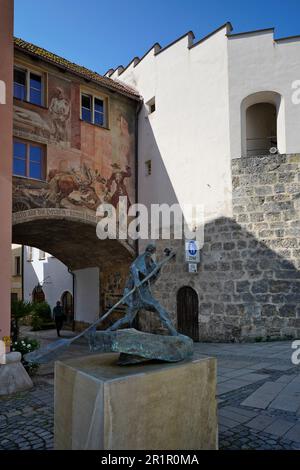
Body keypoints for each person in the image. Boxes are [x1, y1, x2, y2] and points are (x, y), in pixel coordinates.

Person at [107, 244, 178, 336]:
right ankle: (174, 333)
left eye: (152, 251)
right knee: (157, 309)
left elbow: (153, 270)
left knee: (129, 318)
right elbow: (133, 268)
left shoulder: (149, 260)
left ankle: (109, 330)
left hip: (141, 293)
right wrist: (136, 281)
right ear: (149, 250)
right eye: (152, 250)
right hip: (137, 294)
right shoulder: (143, 257)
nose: (151, 252)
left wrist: (164, 260)